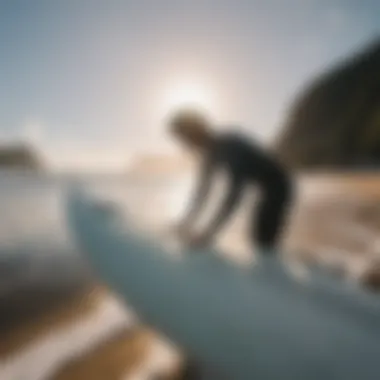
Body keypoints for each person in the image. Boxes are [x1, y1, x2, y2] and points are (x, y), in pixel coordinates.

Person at [168, 108, 293, 256]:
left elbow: (234, 195)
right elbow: (202, 192)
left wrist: (209, 233)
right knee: (259, 238)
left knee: (261, 242)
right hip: (266, 188)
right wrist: (184, 223)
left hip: (279, 185)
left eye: (184, 137)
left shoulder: (228, 146)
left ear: (196, 131)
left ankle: (275, 267)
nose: (185, 145)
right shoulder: (209, 154)